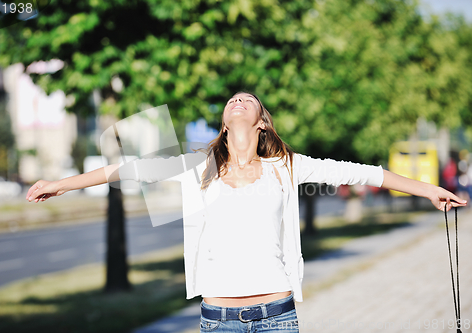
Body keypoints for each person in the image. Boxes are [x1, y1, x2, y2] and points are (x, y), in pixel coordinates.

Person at [26, 92, 467, 332]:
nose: (237, 101)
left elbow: (362, 174)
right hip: (217, 320)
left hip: (277, 315)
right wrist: (59, 185)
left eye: (247, 100)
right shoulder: (196, 167)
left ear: (261, 123)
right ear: (224, 122)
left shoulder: (287, 167)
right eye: (231, 101)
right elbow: (126, 168)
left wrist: (429, 190)